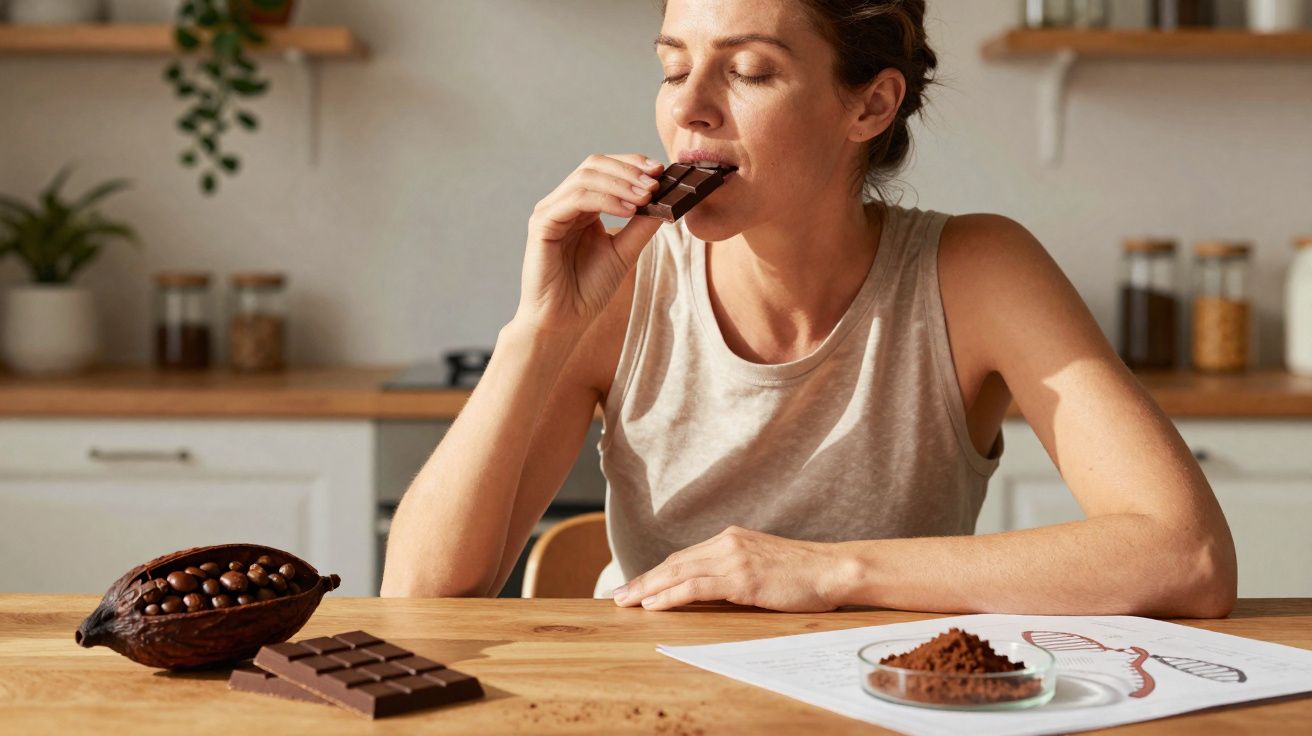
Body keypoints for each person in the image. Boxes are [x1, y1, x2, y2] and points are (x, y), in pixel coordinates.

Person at [381, 0, 1237, 617]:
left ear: (870, 104)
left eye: (748, 70)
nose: (688, 106)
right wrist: (538, 331)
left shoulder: (977, 271)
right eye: (673, 66)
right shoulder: (630, 282)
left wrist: (826, 573)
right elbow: (416, 598)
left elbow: (1185, 554)